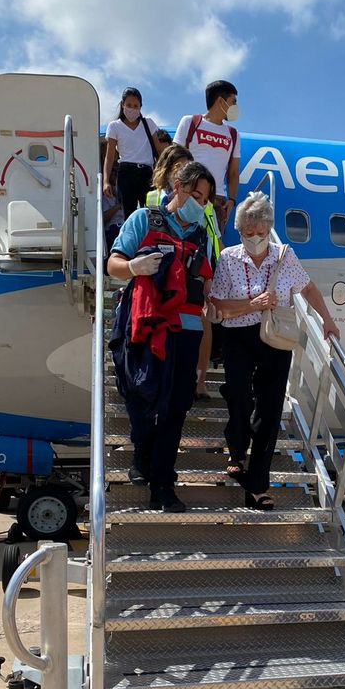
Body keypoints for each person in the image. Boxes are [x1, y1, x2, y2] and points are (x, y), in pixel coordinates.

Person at [210, 192, 340, 509]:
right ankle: (237, 448)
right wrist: (251, 304)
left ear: (268, 229)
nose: (255, 239)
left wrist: (327, 319)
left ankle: (257, 486)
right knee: (239, 396)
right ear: (239, 231)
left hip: (275, 338)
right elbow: (216, 304)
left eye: (260, 233)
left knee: (268, 413)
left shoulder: (283, 255)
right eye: (248, 233)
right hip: (238, 336)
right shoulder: (228, 258)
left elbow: (307, 287)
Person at [107, 161, 216, 512]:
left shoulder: (200, 236)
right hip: (144, 322)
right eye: (196, 195)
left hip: (186, 328)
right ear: (178, 187)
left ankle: (163, 483)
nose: (200, 204)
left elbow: (208, 281)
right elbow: (113, 265)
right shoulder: (144, 219)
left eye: (206, 199)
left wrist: (214, 301)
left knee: (174, 409)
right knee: (140, 395)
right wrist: (134, 268)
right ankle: (141, 453)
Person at [146, 143, 221, 400]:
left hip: (199, 258)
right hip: (166, 262)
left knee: (203, 321)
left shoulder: (202, 202)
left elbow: (211, 233)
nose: (184, 170)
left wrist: (209, 268)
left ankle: (200, 380)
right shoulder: (154, 200)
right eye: (179, 167)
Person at [174, 80, 240, 233]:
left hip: (217, 198)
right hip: (189, 192)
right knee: (179, 240)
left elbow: (233, 172)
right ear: (220, 101)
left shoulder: (233, 134)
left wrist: (231, 199)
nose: (235, 107)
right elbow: (175, 158)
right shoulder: (190, 122)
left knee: (211, 249)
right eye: (233, 102)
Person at [104, 87, 167, 219]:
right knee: (130, 214)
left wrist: (165, 174)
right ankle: (132, 239)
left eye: (136, 106)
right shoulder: (114, 126)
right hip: (126, 172)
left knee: (151, 213)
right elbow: (109, 158)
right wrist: (106, 181)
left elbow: (161, 152)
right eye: (129, 105)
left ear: (140, 107)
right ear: (122, 105)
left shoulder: (148, 123)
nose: (132, 109)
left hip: (147, 173)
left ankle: (148, 239)